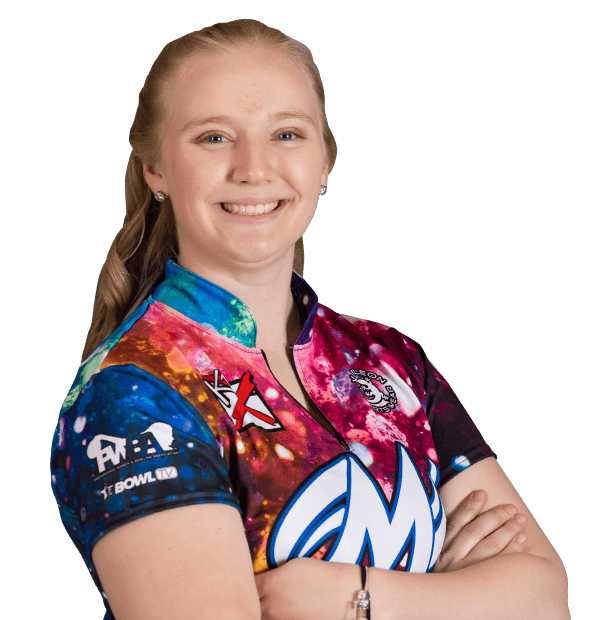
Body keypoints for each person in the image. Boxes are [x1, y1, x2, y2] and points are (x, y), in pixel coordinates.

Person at [49, 19, 568, 620]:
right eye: (214, 137)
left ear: (325, 161)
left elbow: (545, 598)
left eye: (287, 134)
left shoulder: (389, 360)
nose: (254, 169)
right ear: (155, 168)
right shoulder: (134, 393)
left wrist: (358, 598)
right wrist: (455, 594)